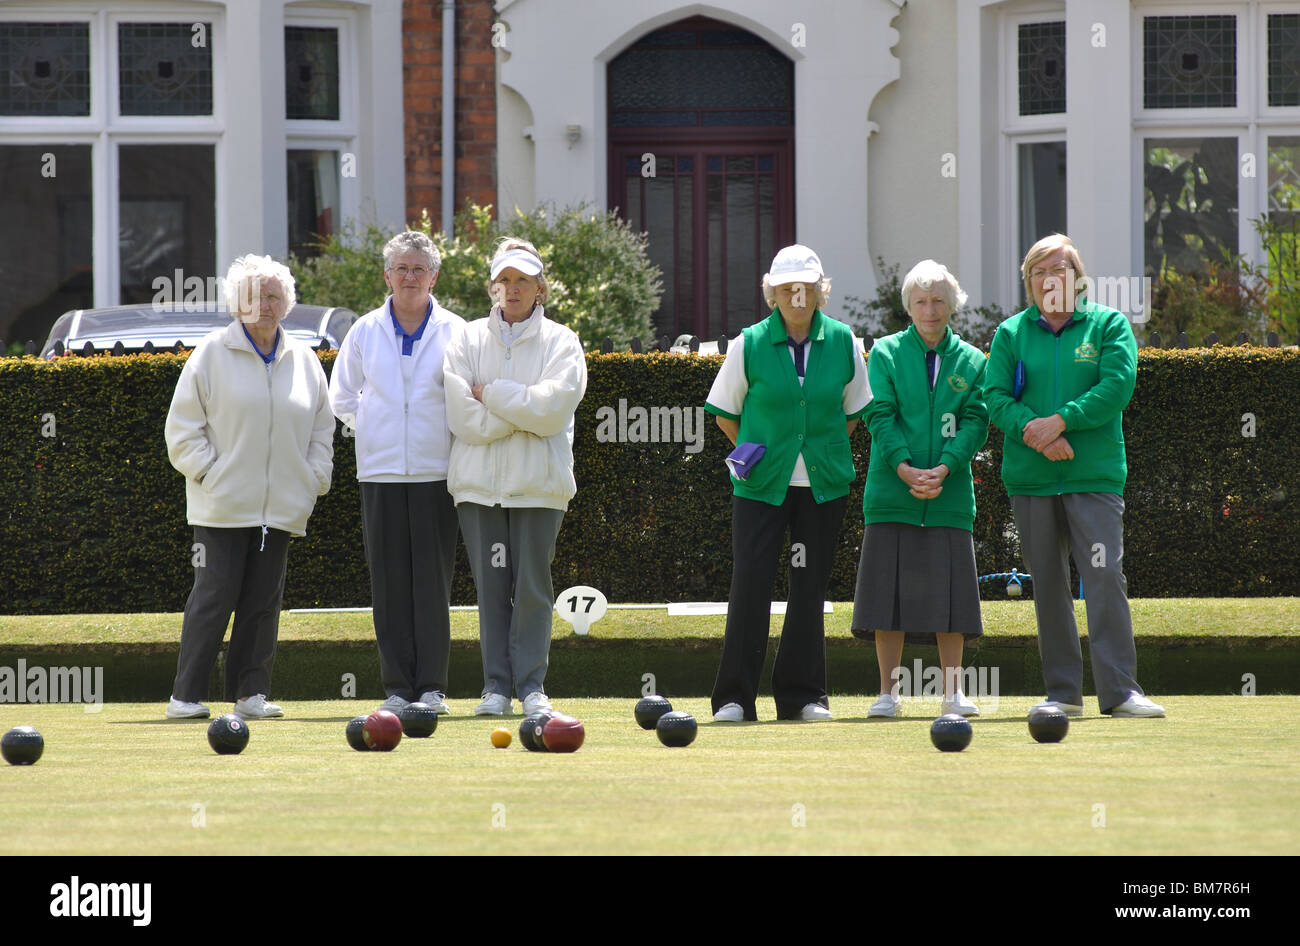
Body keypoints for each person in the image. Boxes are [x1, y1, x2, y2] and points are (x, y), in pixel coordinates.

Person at [985, 233, 1165, 718]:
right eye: (1039, 271)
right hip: (1032, 479)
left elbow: (1117, 386)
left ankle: (1121, 691)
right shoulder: (1010, 334)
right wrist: (1035, 433)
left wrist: (1060, 421)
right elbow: (995, 398)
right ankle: (1064, 694)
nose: (1050, 278)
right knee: (1047, 585)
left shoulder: (1107, 325)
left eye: (1059, 269)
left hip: (1094, 477)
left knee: (1104, 576)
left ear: (1078, 278)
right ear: (1029, 282)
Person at [705, 244, 871, 722]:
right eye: (787, 289)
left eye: (806, 288)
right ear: (773, 293)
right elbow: (724, 414)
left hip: (822, 488)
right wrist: (755, 458)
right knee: (750, 585)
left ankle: (803, 697)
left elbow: (854, 411)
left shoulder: (843, 341)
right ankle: (734, 697)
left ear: (821, 292)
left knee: (809, 589)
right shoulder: (749, 343)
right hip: (760, 487)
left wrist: (820, 452)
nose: (797, 296)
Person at [163, 255, 334, 720]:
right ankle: (185, 697)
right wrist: (211, 475)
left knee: (263, 603)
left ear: (288, 303)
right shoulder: (211, 354)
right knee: (214, 597)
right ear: (237, 304)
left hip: (280, 507)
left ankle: (250, 694)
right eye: (253, 296)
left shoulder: (303, 359)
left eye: (274, 295)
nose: (264, 304)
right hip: (221, 505)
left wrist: (313, 479)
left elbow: (322, 429)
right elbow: (182, 431)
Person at [443, 238, 587, 717]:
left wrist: (494, 395)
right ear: (492, 288)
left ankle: (531, 688)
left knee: (531, 587)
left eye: (522, 280)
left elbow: (551, 411)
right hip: (478, 489)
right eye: (504, 280)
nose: (512, 289)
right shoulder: (464, 340)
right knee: (490, 588)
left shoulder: (563, 341)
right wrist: (521, 406)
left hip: (539, 486)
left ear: (539, 289)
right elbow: (463, 417)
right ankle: (495, 688)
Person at [329, 230, 464, 716]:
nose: (410, 277)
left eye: (419, 269)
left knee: (432, 583)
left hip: (436, 472)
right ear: (387, 276)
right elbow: (340, 396)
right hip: (380, 472)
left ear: (434, 276)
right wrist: (374, 425)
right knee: (388, 584)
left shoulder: (457, 331)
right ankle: (396, 688)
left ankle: (432, 688)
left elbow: (467, 396)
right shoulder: (364, 330)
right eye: (401, 268)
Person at [851, 260, 989, 718]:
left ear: (952, 306)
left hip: (949, 497)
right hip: (892, 495)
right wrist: (905, 467)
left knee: (951, 599)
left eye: (938, 301)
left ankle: (953, 693)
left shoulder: (973, 360)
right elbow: (879, 414)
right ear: (908, 306)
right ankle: (888, 695)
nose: (930, 310)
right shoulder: (886, 354)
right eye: (921, 301)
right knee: (885, 598)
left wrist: (946, 468)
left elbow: (976, 419)